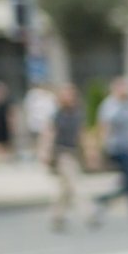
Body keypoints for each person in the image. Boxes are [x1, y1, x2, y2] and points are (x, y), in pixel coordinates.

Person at [88, 77, 128, 229]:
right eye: (123, 87)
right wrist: (99, 149)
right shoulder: (110, 105)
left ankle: (103, 202)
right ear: (115, 89)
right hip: (116, 148)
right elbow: (104, 127)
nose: (126, 90)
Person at [40, 83, 87, 232]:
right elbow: (49, 134)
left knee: (64, 189)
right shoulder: (57, 115)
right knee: (75, 183)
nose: (69, 97)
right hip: (61, 153)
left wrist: (88, 153)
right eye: (66, 94)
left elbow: (81, 134)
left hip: (73, 152)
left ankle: (57, 216)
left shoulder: (77, 114)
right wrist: (45, 152)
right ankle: (90, 212)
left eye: (71, 94)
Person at [21, 80, 56, 162]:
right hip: (34, 123)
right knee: (34, 141)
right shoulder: (33, 95)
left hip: (44, 124)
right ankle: (36, 156)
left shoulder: (50, 96)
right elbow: (27, 108)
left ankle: (42, 157)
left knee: (43, 142)